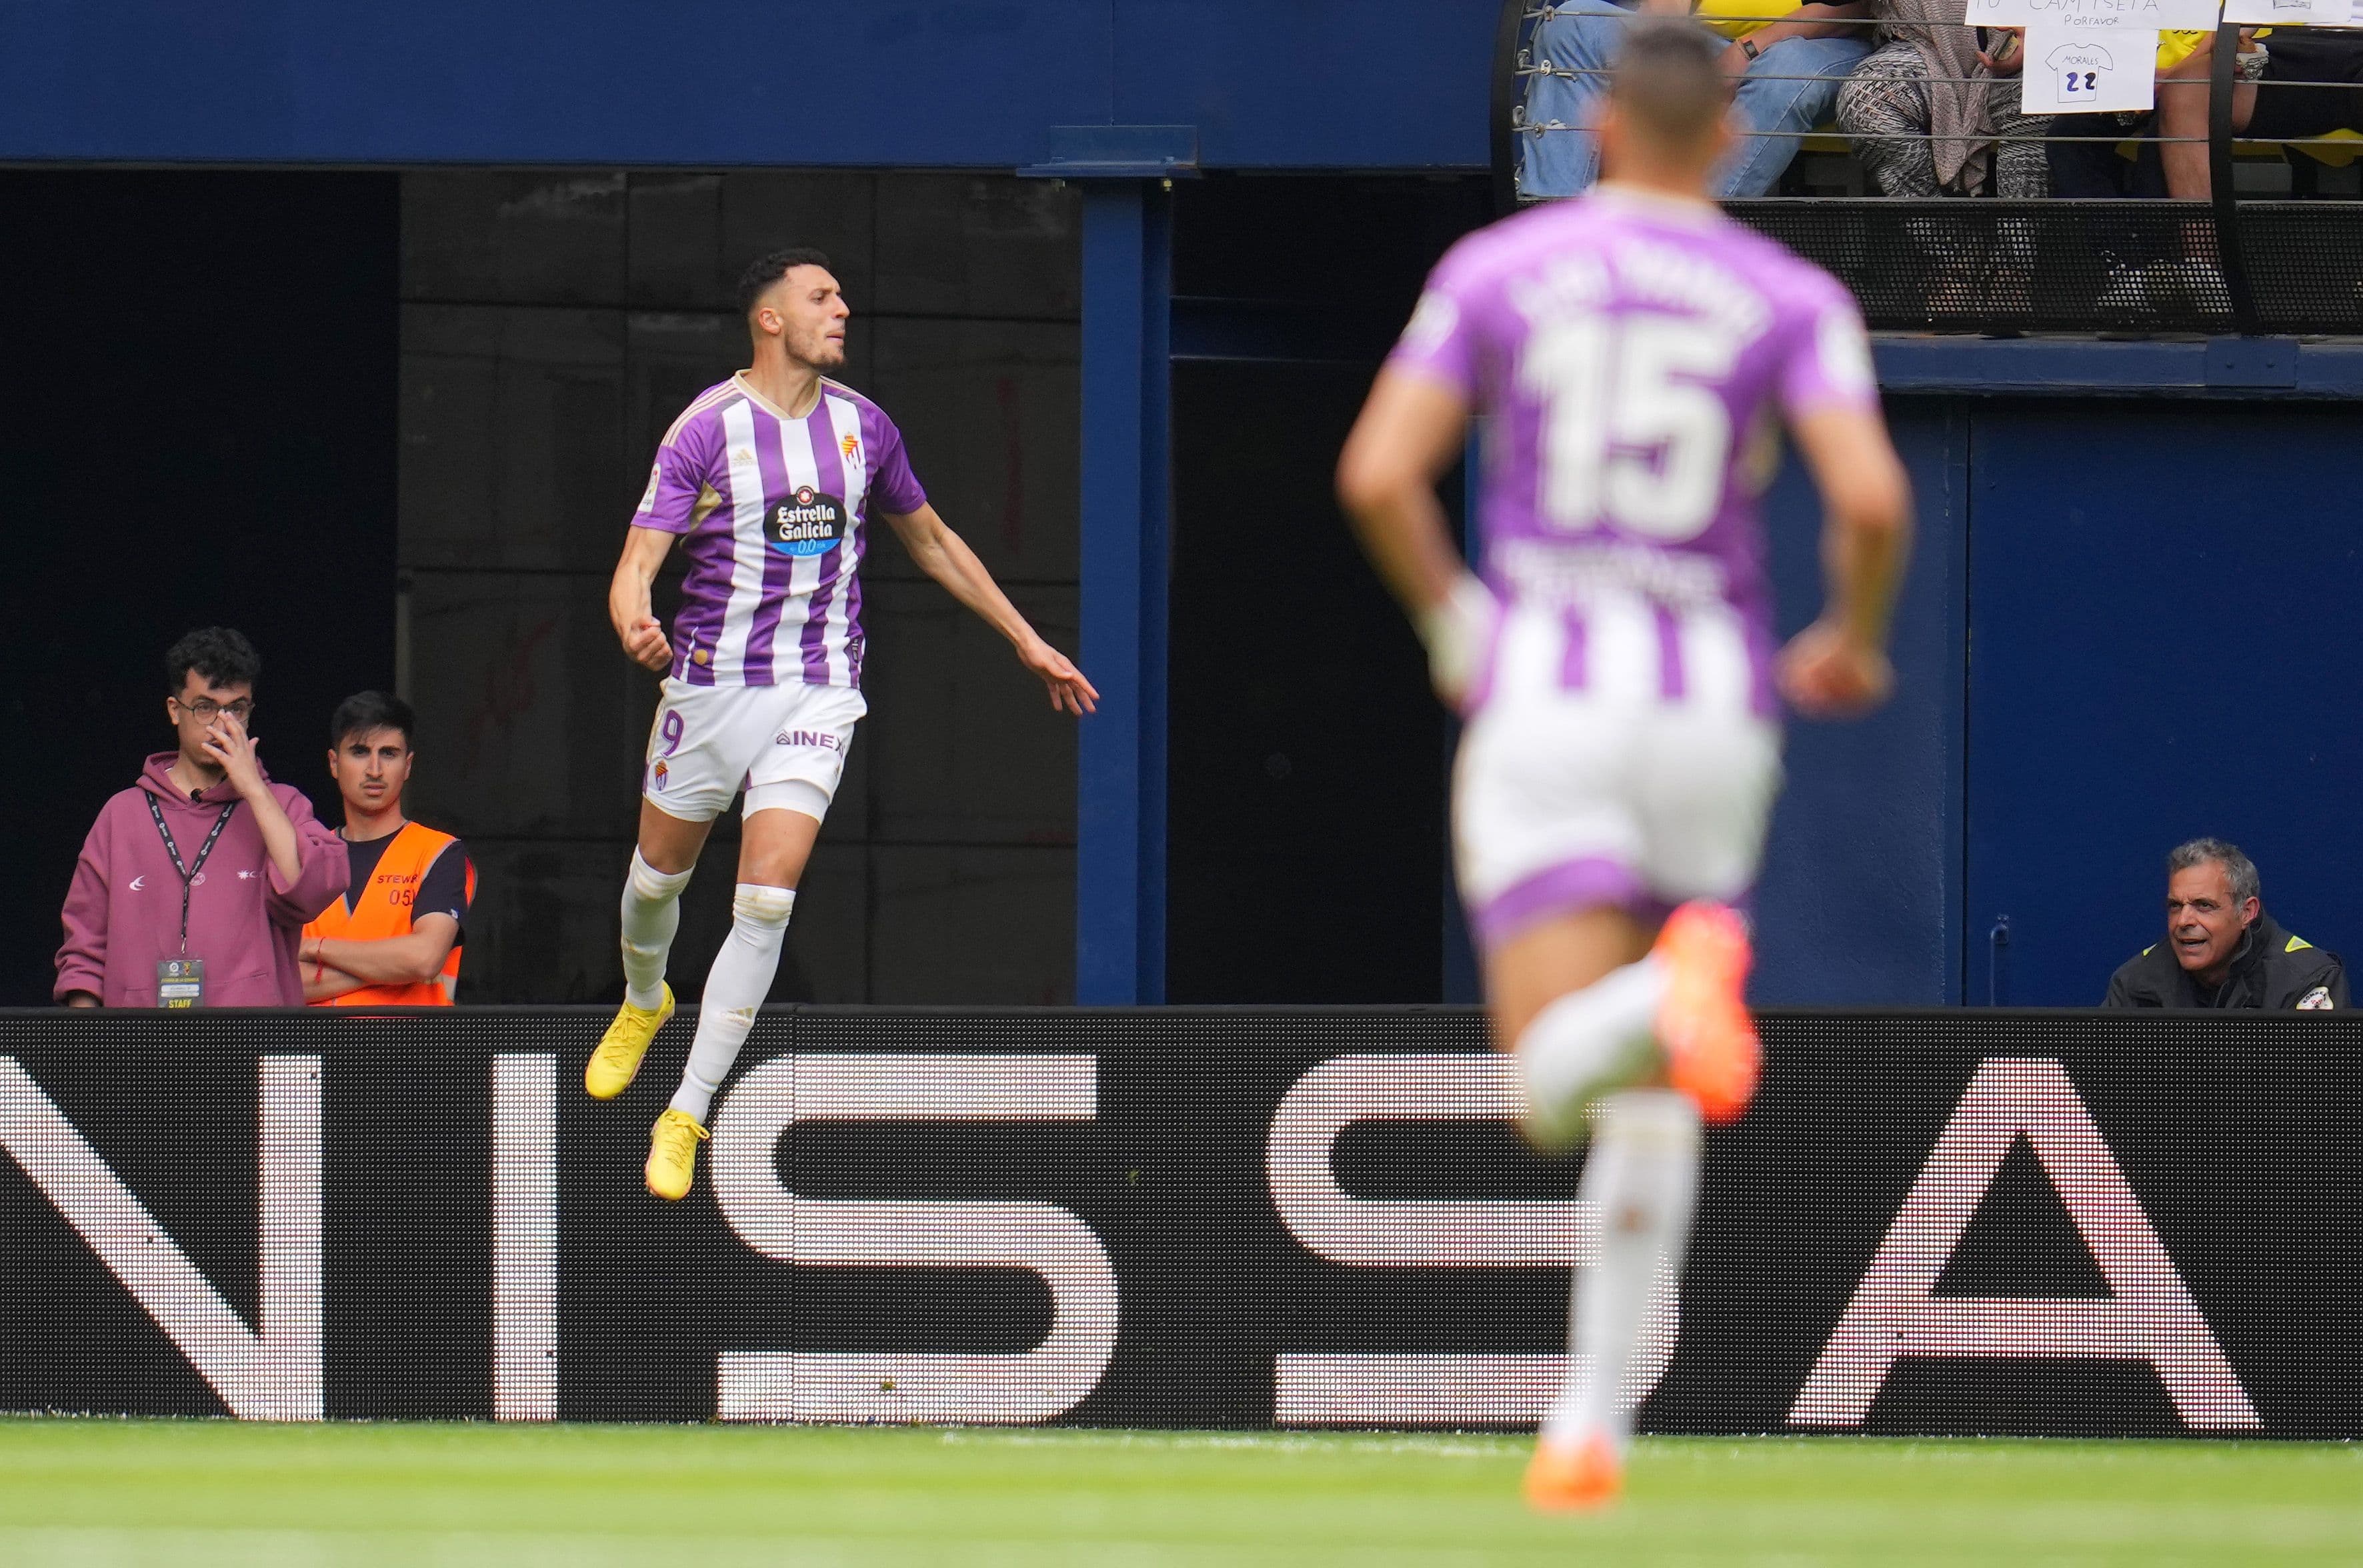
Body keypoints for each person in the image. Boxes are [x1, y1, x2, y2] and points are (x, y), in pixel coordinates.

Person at [1339, 19, 1911, 1509]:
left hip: (1551, 685)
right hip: (1711, 699)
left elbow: (1377, 471)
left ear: (1594, 129)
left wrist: (1454, 620)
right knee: (1660, 1072)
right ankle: (1588, 1427)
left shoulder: (1497, 273)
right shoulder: (1782, 289)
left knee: (1549, 1078)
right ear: (1727, 136)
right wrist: (1849, 633)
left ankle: (1662, 999)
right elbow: (1866, 493)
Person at [587, 247, 1098, 1201]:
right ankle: (644, 999)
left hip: (819, 689)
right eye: (822, 297)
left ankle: (688, 1109)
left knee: (768, 899)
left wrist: (1026, 638)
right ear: (769, 318)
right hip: (709, 690)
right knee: (658, 882)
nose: (844, 309)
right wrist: (634, 624)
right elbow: (635, 563)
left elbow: (934, 542)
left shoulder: (866, 430)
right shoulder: (706, 428)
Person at [55, 627, 347, 1007]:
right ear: (175, 711)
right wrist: (95, 1052)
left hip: (252, 1051)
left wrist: (254, 789)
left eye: (236, 708)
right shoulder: (121, 814)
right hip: (138, 1054)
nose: (222, 724)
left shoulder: (283, 805)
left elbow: (309, 893)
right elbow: (83, 954)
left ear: (250, 713)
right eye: (205, 707)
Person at [1519, 0, 1874, 200]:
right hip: (1708, 43)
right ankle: (1555, 233)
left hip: (1824, 45)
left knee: (1785, 68)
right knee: (1575, 23)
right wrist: (1664, 55)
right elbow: (1664, 14)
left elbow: (1852, 8)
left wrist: (1749, 50)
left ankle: (1683, 247)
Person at [299, 691, 475, 1005]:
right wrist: (394, 970)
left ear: (408, 766)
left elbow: (424, 959)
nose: (375, 770)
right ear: (334, 763)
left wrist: (317, 949)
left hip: (408, 1051)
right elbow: (284, 981)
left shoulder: (438, 852)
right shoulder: (306, 855)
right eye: (359, 751)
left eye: (389, 753)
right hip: (318, 1051)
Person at [2103, 838, 2344, 1009]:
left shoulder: (2307, 980)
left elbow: (2317, 1080)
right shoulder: (2135, 982)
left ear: (2247, 912)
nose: (2183, 921)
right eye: (2175, 906)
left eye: (2204, 906)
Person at [1834, 12, 2050, 197]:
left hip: (2041, 40)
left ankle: (2023, 242)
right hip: (1919, 40)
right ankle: (1937, 238)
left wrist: (2046, 33)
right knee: (1869, 99)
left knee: (2039, 98)